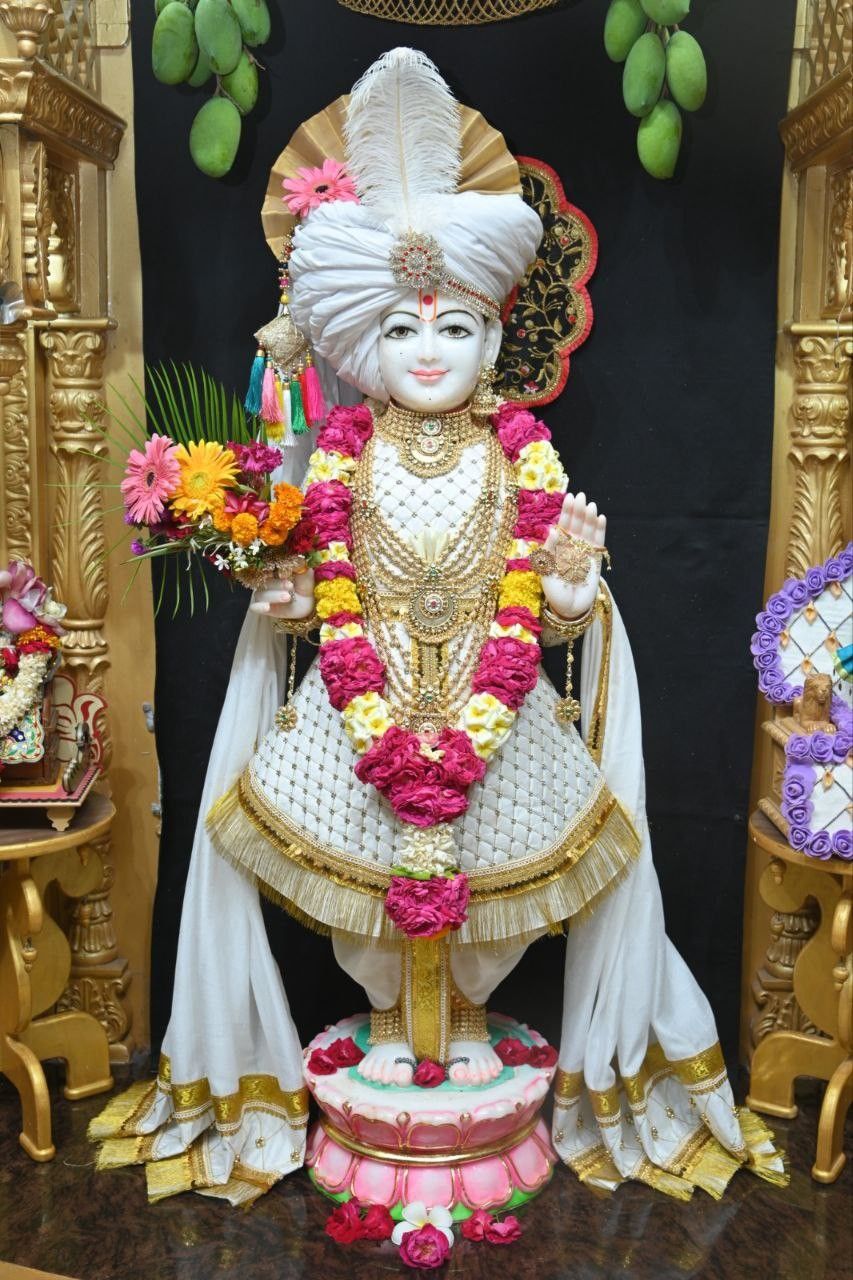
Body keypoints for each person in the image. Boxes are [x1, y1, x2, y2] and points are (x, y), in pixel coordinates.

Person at [91, 48, 785, 1206]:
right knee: (366, 912)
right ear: (368, 345)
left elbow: (560, 611)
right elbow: (312, 584)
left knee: (493, 912)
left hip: (496, 720)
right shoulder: (338, 458)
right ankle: (384, 1017)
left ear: (492, 344)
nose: (429, 350)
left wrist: (571, 590)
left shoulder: (519, 456)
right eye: (407, 329)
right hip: (356, 721)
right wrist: (285, 595)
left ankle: (464, 1017)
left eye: (456, 328)